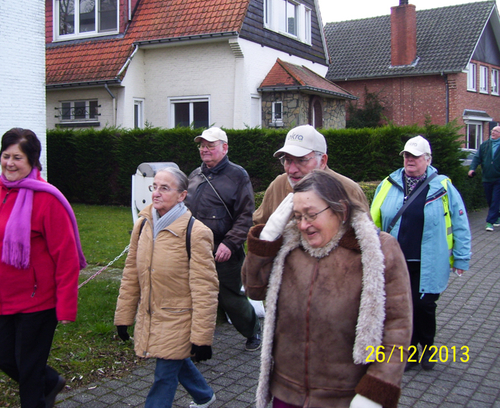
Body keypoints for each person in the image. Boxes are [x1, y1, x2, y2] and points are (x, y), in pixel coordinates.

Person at [243, 170, 412, 408]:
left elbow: (397, 327)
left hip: (345, 397)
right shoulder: (290, 246)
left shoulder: (377, 250)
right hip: (287, 392)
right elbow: (254, 290)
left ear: (340, 210)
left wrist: (376, 389)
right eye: (298, 215)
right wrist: (267, 238)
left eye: (311, 215)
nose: (302, 225)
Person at [0, 128, 87, 408]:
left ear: (32, 161)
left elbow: (67, 257)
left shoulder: (47, 199)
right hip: (0, 297)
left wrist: (65, 306)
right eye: (6, 156)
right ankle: (50, 382)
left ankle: (40, 390)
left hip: (38, 302)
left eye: (17, 157)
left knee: (28, 372)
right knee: (2, 357)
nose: (10, 163)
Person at [114, 167, 219, 408]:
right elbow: (131, 274)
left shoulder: (196, 233)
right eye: (155, 187)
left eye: (165, 188)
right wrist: (123, 316)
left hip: (180, 319)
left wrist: (202, 338)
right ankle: (204, 395)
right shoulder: (143, 225)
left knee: (164, 375)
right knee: (172, 359)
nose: (156, 193)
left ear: (182, 195)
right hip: (151, 315)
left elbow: (206, 289)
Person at [371, 135, 471, 371]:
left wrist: (461, 257)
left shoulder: (443, 186)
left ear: (427, 159)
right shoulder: (388, 183)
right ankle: (409, 353)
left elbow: (460, 223)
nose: (410, 160)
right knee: (400, 308)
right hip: (395, 261)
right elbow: (372, 220)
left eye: (415, 156)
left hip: (430, 261)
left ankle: (427, 348)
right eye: (407, 155)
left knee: (423, 306)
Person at [185, 127, 262, 351]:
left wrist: (230, 243)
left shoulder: (238, 175)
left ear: (224, 148)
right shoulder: (195, 174)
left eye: (210, 145)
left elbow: (245, 215)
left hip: (224, 249)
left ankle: (252, 331)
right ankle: (199, 337)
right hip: (195, 247)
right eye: (202, 145)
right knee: (197, 294)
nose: (204, 149)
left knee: (230, 297)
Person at [253, 124, 369, 226]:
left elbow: (366, 238)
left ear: (323, 161)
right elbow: (257, 226)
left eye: (301, 160)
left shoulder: (348, 190)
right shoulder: (278, 185)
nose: (292, 170)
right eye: (288, 160)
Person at [468, 125, 500, 231]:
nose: (493, 132)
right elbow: (477, 158)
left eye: (496, 131)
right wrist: (472, 168)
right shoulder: (485, 145)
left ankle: (489, 222)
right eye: (492, 130)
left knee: (496, 200)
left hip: (498, 178)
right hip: (487, 177)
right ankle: (497, 216)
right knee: (490, 199)